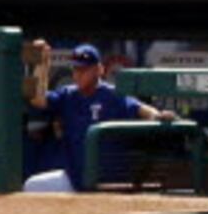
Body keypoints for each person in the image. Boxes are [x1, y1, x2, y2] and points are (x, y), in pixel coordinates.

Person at [37, 43, 184, 191]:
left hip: (109, 182)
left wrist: (158, 115)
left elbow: (141, 109)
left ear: (99, 70)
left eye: (84, 69)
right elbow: (39, 100)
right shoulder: (67, 95)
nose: (78, 74)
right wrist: (42, 64)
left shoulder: (112, 95)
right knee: (34, 186)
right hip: (73, 178)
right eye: (76, 69)